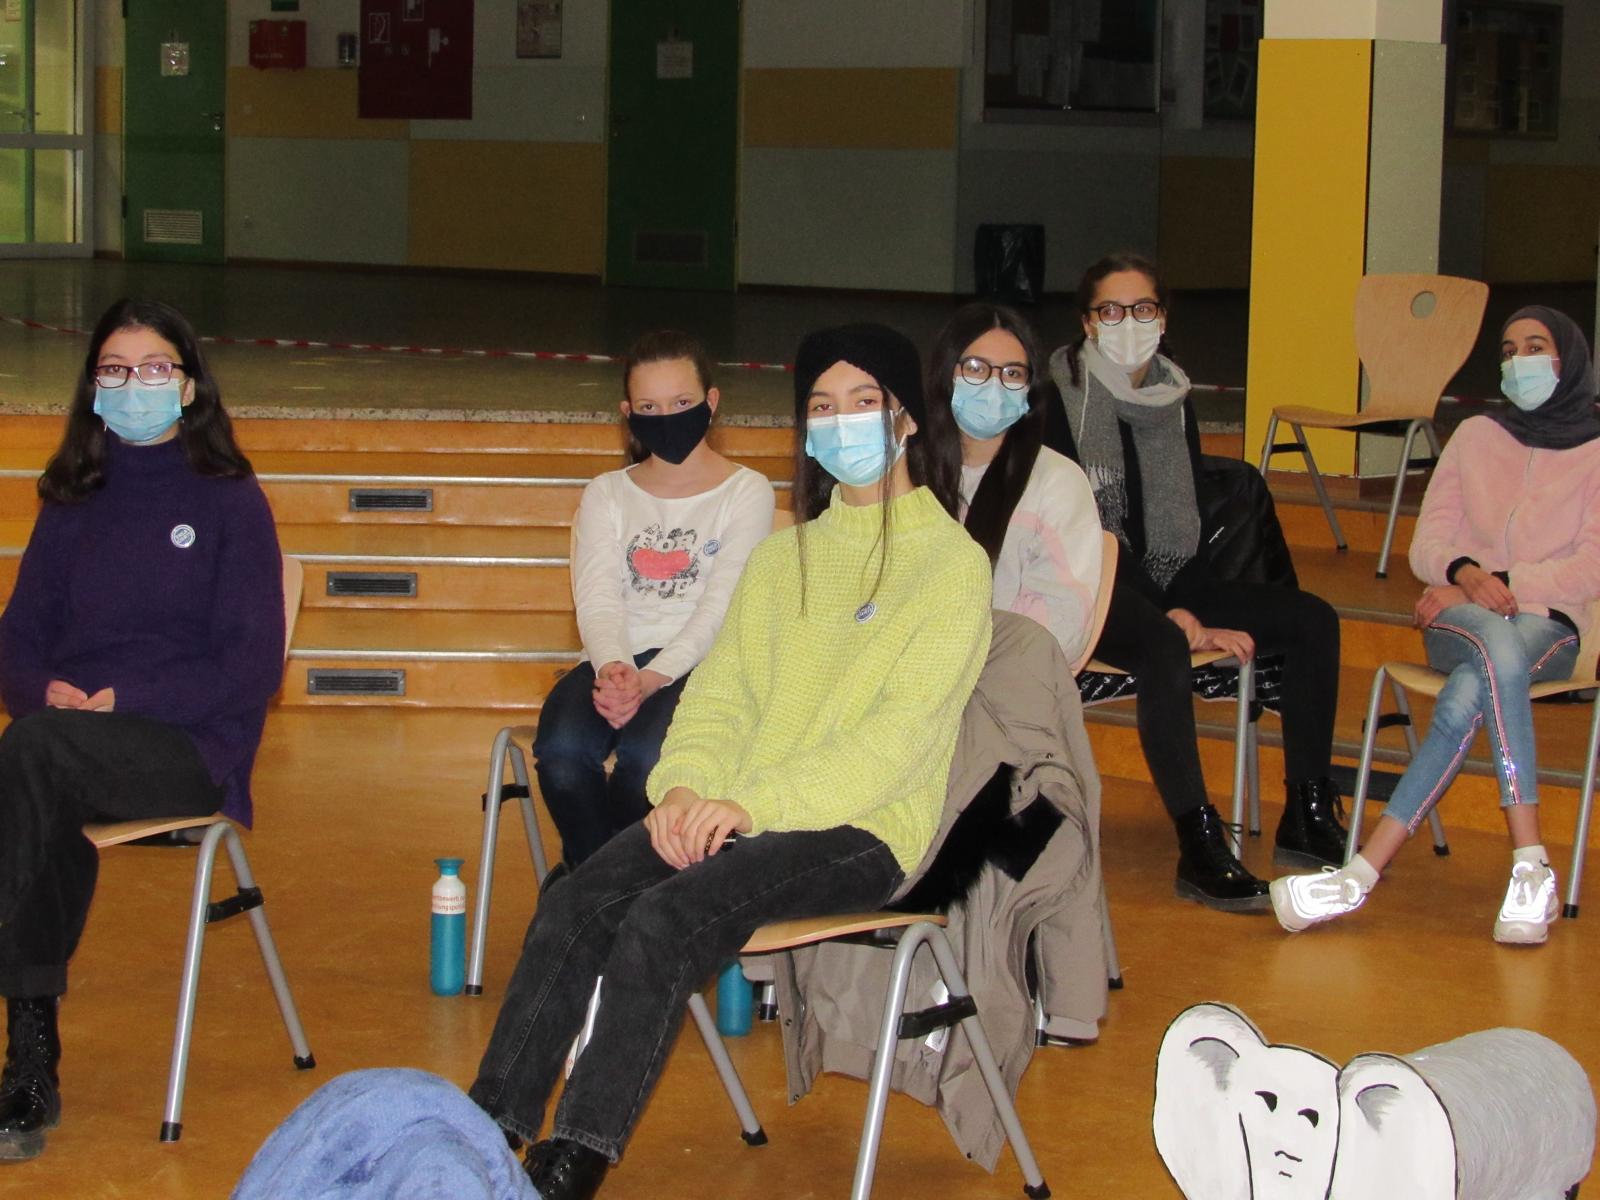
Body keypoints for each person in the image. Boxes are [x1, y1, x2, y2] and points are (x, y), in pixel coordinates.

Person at [469, 324, 991, 1200]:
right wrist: (681, 790)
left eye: (864, 402)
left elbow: (896, 743)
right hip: (736, 811)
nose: (842, 422)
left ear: (905, 417)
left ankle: (573, 1162)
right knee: (576, 902)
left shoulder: (952, 566)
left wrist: (748, 805)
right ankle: (487, 1135)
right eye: (822, 406)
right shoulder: (782, 558)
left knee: (663, 920)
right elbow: (718, 700)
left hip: (862, 828)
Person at [0, 299, 285, 1161]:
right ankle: (31, 1061)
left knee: (32, 758)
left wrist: (126, 697)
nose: (135, 384)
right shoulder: (71, 498)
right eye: (115, 369)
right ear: (93, 388)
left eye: (155, 367)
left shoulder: (231, 500)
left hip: (185, 746)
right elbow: (17, 637)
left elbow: (250, 667)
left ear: (189, 386)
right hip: (67, 745)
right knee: (38, 773)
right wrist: (42, 687)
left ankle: (28, 1058)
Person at [1273, 306, 1600, 944]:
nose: (1520, 361)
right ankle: (1530, 862)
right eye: (1508, 350)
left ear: (1572, 358)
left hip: (1550, 626)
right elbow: (1427, 544)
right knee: (1492, 649)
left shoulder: (1595, 451)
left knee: (1471, 689)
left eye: (1536, 347)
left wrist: (1495, 581)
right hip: (1461, 619)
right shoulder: (1475, 436)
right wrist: (1464, 577)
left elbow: (1590, 567)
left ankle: (1358, 875)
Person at [1047, 252, 1346, 913]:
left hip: (1173, 578)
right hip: (1089, 585)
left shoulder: (1173, 396)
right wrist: (1172, 616)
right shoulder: (1057, 403)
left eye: (1143, 308)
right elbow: (1081, 533)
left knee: (1313, 620)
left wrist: (1185, 603)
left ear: (1163, 317)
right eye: (1110, 310)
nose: (1128, 322)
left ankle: (1307, 809)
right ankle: (1199, 842)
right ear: (1088, 323)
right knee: (1162, 646)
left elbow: (1180, 524)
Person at [534, 331, 774, 868]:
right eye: (649, 407)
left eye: (682, 402)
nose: (666, 417)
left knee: (647, 764)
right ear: (628, 413)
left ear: (711, 402)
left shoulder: (747, 490)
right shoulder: (607, 492)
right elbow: (597, 597)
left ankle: (612, 885)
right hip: (614, 660)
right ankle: (590, 879)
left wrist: (653, 678)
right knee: (562, 754)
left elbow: (722, 606)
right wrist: (616, 669)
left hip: (699, 664)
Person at [924, 301, 1102, 668]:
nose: (994, 385)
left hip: (1001, 677)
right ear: (946, 372)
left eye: (1012, 373)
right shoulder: (908, 472)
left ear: (1029, 388)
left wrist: (951, 657)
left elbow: (1061, 625)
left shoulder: (1057, 482)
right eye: (976, 368)